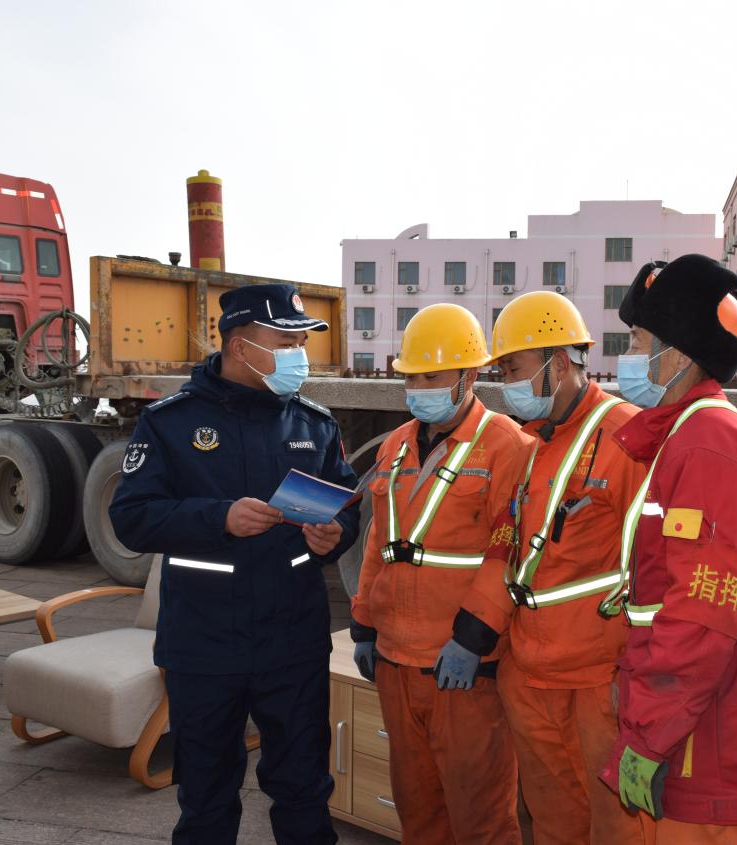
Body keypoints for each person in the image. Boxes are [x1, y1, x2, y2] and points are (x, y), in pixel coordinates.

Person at [109, 283, 360, 845]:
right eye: (286, 342)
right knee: (205, 797)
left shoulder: (314, 424)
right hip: (204, 642)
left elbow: (346, 506)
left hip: (292, 640)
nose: (299, 355)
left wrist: (334, 535)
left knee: (303, 788)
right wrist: (218, 517)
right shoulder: (169, 422)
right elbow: (131, 518)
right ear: (241, 346)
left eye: (302, 343)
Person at [599, 254, 737, 845]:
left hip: (716, 734)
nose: (627, 356)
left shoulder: (705, 447)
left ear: (675, 354)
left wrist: (648, 735)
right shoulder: (694, 434)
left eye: (637, 340)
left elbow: (698, 617)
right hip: (712, 717)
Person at [349, 302, 530, 845]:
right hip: (396, 661)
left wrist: (473, 639)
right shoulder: (396, 445)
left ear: (470, 377)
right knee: (418, 810)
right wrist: (363, 623)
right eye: (412, 378)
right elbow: (379, 542)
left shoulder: (507, 445)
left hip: (464, 667)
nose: (418, 389)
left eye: (432, 378)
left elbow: (511, 552)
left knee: (481, 816)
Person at [489, 291, 647, 845]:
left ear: (557, 363)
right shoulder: (531, 442)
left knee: (618, 828)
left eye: (513, 368)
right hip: (531, 674)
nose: (506, 383)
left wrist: (639, 678)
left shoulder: (627, 437)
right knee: (554, 821)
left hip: (597, 682)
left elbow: (656, 566)